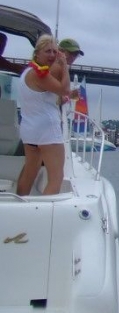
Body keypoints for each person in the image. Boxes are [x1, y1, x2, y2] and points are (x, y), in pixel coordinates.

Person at [16, 34, 70, 195]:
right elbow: (65, 90)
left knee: (29, 173)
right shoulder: (40, 75)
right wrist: (65, 67)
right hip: (48, 130)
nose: (52, 55)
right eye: (48, 51)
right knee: (56, 177)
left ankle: (20, 204)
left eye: (55, 51)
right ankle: (43, 214)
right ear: (37, 53)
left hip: (29, 130)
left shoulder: (26, 73)